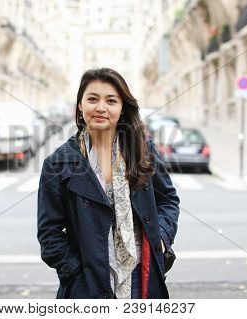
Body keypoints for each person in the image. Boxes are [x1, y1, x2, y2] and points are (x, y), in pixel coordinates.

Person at [37, 68, 180, 299]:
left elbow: (169, 201)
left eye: (111, 100)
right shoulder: (57, 164)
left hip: (141, 277)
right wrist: (75, 272)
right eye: (92, 99)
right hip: (87, 283)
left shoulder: (143, 151)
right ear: (80, 106)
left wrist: (161, 238)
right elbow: (49, 234)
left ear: (122, 108)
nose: (101, 108)